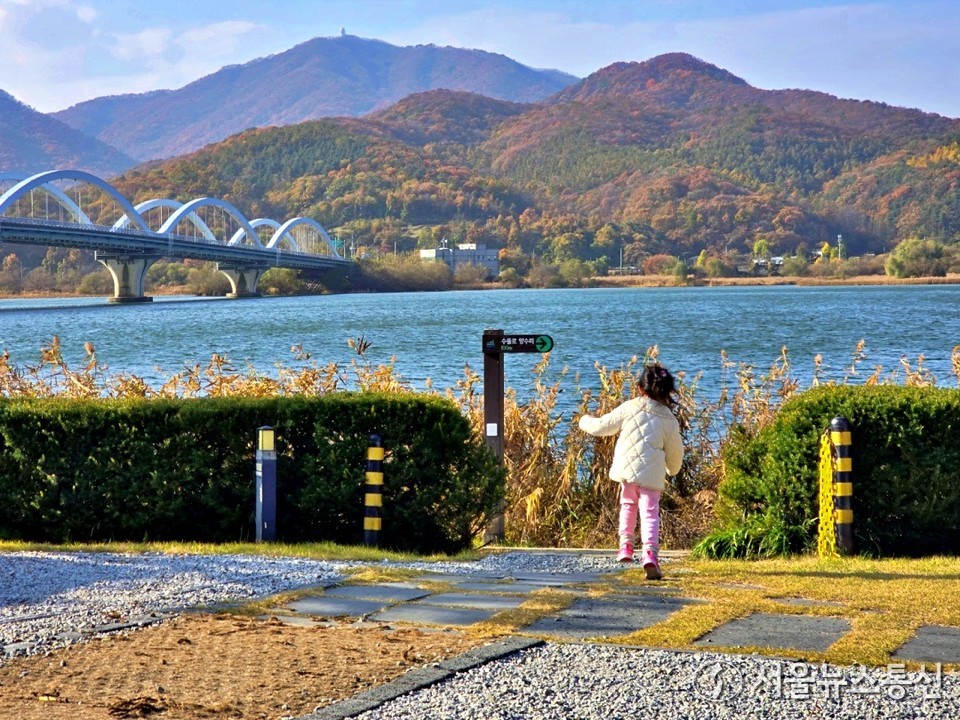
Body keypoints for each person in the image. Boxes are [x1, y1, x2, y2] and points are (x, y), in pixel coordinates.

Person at [578, 363, 684, 579]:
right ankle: (650, 555)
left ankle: (625, 546)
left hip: (627, 470)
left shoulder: (629, 407)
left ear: (640, 388)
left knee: (627, 505)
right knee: (650, 513)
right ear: (667, 391)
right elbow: (675, 452)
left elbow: (603, 426)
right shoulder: (669, 420)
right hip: (652, 474)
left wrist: (584, 420)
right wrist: (672, 470)